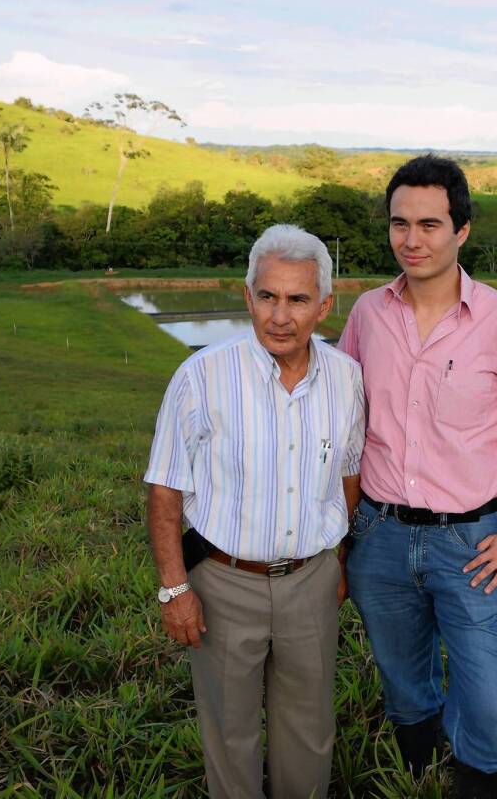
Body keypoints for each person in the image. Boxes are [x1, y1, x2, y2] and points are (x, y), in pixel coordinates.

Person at [338, 155, 497, 797]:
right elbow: (345, 423)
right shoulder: (367, 315)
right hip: (377, 535)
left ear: (461, 230)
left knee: (491, 705)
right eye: (400, 223)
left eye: (430, 224)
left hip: (472, 543)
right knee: (405, 685)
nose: (412, 239)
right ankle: (419, 772)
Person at [145, 224, 364, 799]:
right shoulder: (201, 377)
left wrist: (338, 560)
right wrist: (175, 590)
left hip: (311, 582)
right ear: (248, 297)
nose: (280, 316)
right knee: (230, 734)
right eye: (267, 296)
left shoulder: (346, 379)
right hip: (222, 584)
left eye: (297, 299)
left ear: (323, 306)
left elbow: (347, 473)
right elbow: (165, 490)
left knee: (309, 731)